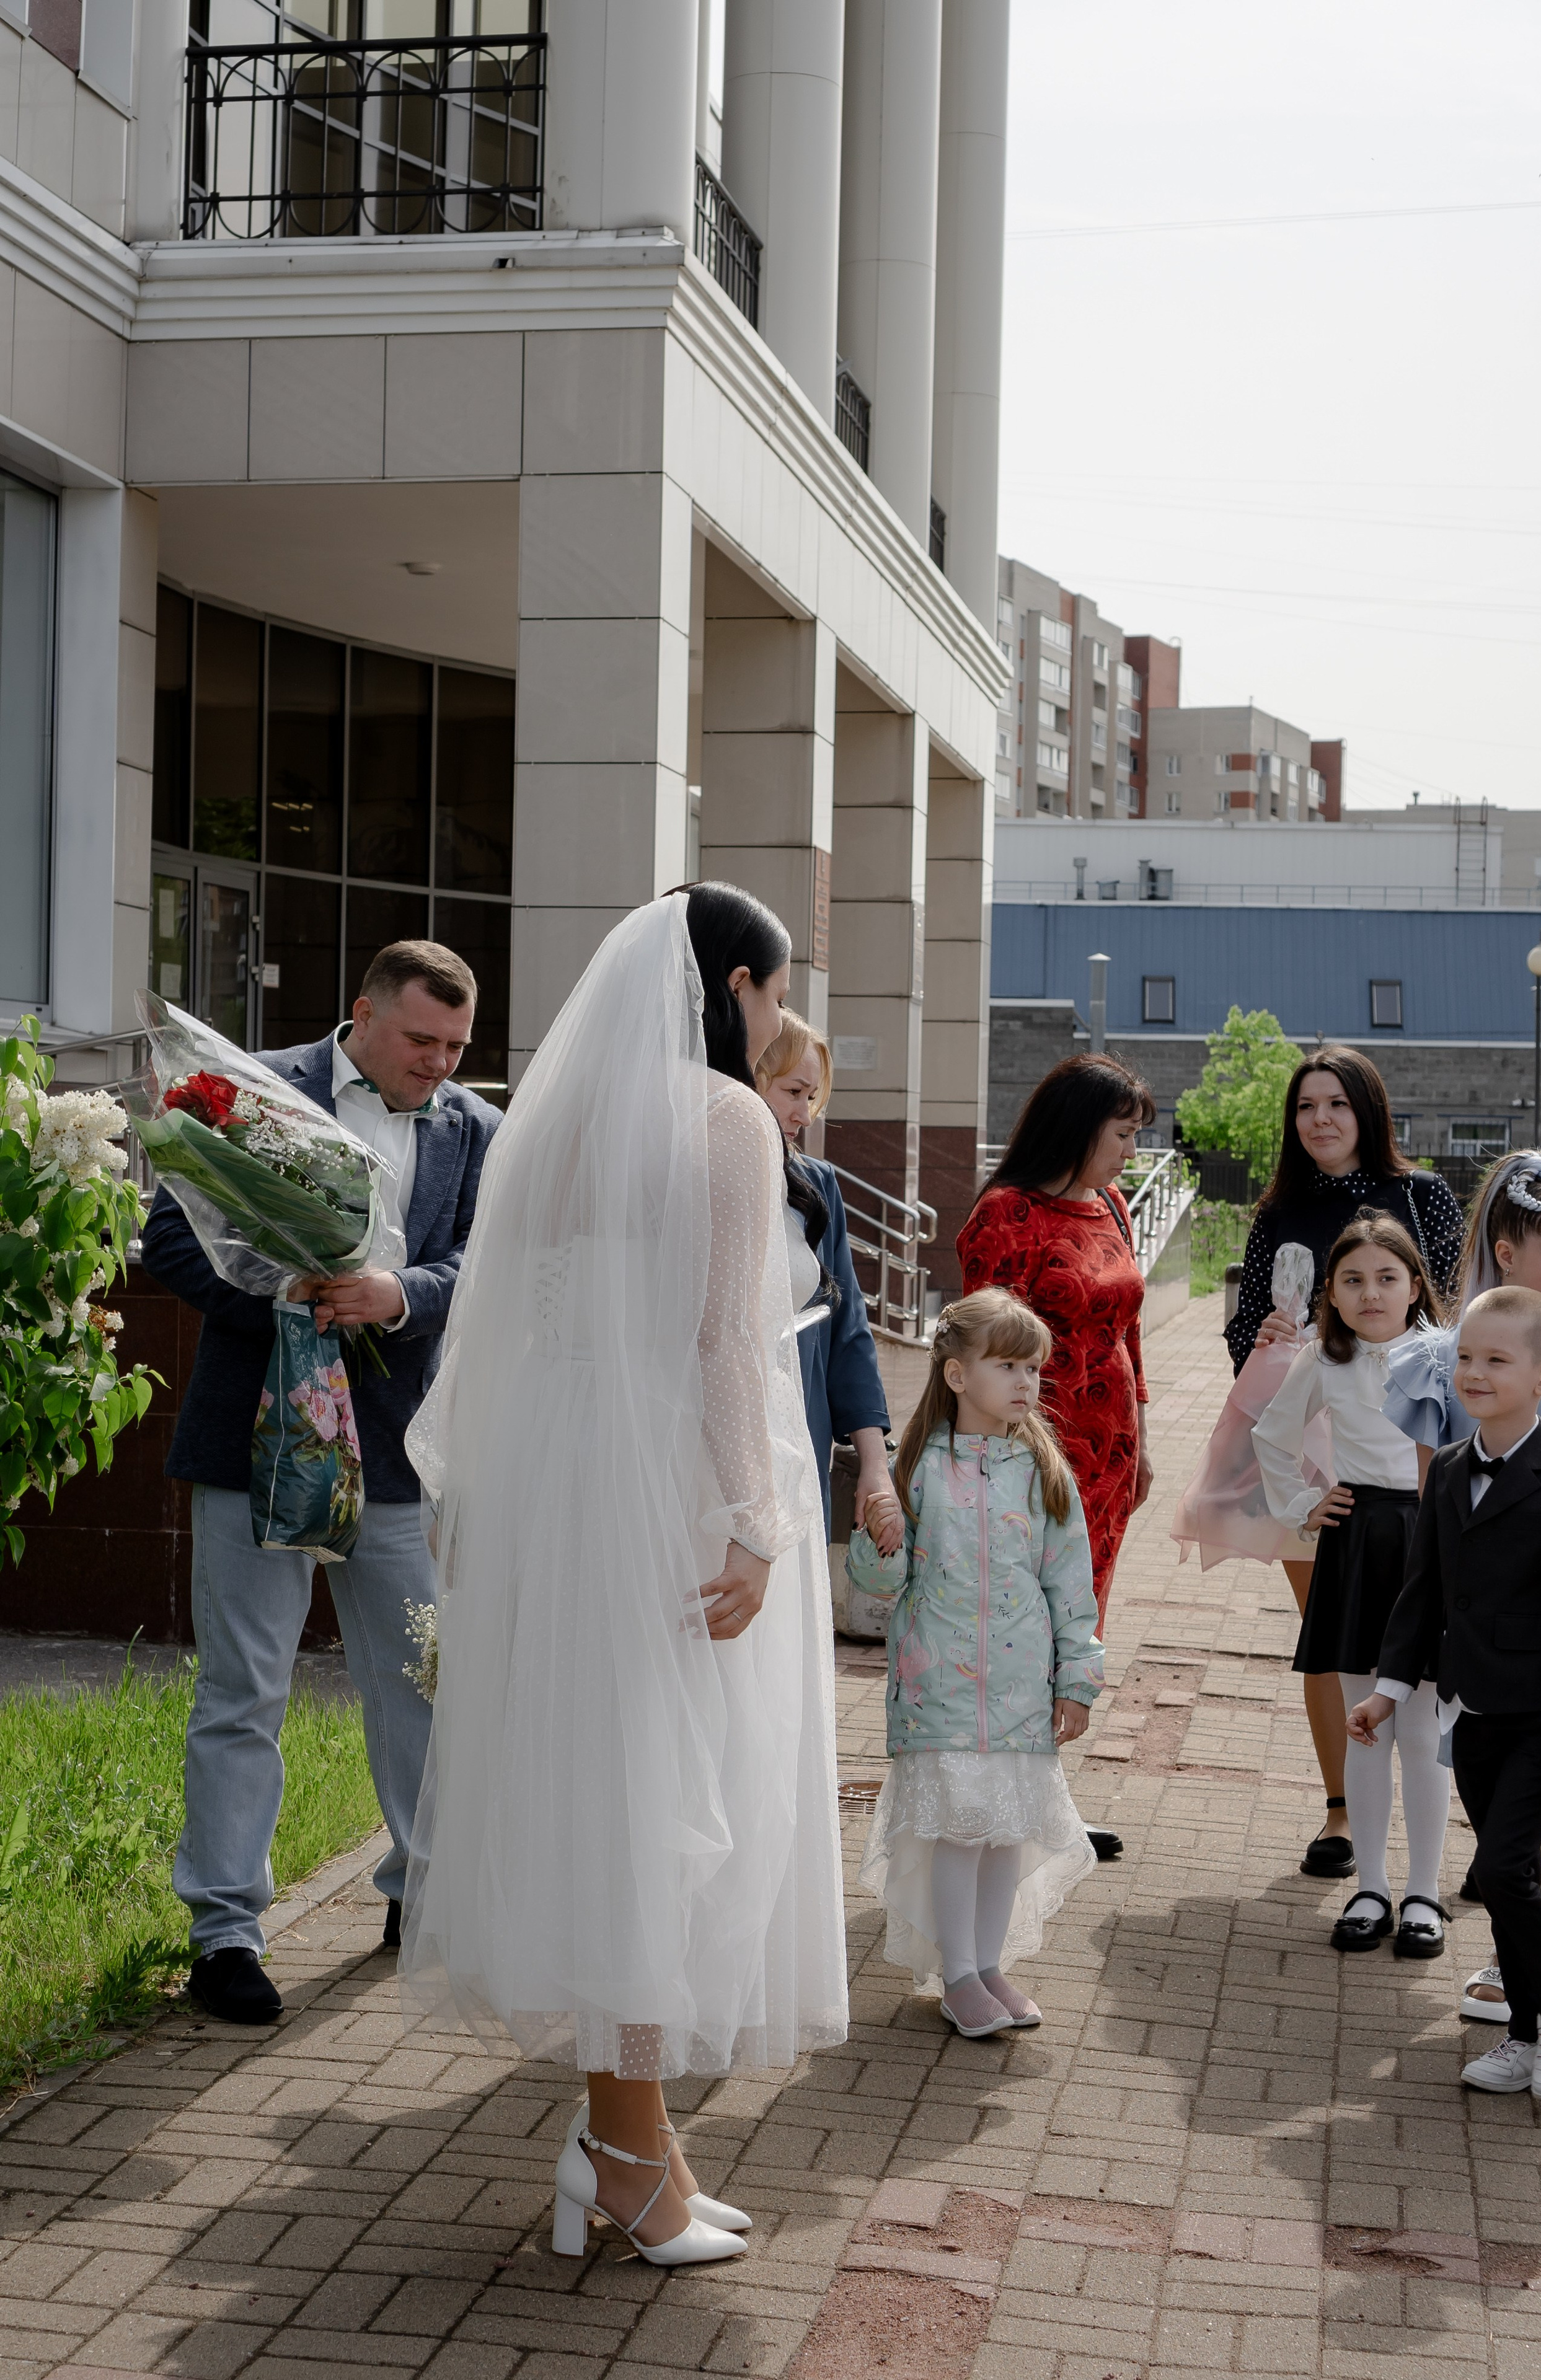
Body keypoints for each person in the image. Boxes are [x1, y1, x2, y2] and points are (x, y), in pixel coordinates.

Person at [399, 885, 847, 2270]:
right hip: (665, 1483)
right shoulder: (715, 1118)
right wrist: (755, 1521)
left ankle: (631, 2143)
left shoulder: (558, 1119)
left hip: (558, 1482)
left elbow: (503, 1333)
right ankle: (627, 2157)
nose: (775, 1022)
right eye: (771, 994)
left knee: (606, 1804)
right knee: (661, 1810)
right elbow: (721, 1342)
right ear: (730, 985)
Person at [139, 941, 500, 2024]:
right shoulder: (251, 1092)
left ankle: (421, 1891)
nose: (438, 1064)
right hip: (251, 1442)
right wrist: (292, 1293)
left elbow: (487, 1265)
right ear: (362, 1013)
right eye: (420, 1040)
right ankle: (226, 1934)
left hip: (395, 1453)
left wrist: (397, 1295)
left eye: (455, 1047)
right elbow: (172, 1240)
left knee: (420, 1686)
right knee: (244, 1686)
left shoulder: (479, 1129)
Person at [1225, 1047, 1463, 1882]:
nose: (1319, 1119)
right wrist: (1260, 1340)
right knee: (1334, 1637)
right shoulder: (1278, 1210)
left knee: (1434, 1647)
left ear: (1367, 1110)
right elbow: (1245, 1322)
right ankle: (1342, 1812)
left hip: (1410, 1437)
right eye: (1304, 1107)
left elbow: (1451, 1311)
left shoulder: (1422, 1195)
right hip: (1319, 1427)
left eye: (1336, 1103)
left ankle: (1438, 1840)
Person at [1353, 1285, 1541, 2101]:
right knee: (1500, 1878)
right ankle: (1524, 2035)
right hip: (1474, 1714)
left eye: (1497, 1360)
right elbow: (1425, 1593)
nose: (1474, 1373)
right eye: (1465, 1358)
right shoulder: (1450, 1469)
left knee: (1502, 1870)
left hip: (1539, 1720)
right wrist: (1387, 1691)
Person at [847, 1289, 1102, 2037]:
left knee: (1004, 1833)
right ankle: (956, 1974)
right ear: (957, 1376)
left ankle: (990, 1966)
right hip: (939, 1693)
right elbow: (877, 1585)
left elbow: (1069, 1583)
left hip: (1020, 1693)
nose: (1026, 1382)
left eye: (1033, 1368)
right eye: (1008, 1365)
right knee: (960, 1831)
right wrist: (879, 1533)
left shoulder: (1043, 1470)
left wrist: (1077, 1679)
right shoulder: (917, 1465)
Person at [1383, 1149, 1541, 2024]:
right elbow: (1441, 1504)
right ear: (1508, 1253)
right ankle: (1533, 1960)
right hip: (1494, 1627)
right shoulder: (1450, 1358)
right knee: (1507, 1805)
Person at [957, 1055, 1152, 1861]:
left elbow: (1130, 1327)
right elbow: (976, 1348)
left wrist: (1144, 1430)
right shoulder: (1006, 1213)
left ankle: (1043, 1799)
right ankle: (1000, 1802)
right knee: (1016, 1628)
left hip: (1110, 1457)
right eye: (1122, 1133)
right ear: (1078, 1128)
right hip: (1033, 1454)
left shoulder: (1110, 1203)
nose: (1131, 1153)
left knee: (1078, 1624)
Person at [1253, 1214, 1449, 1957]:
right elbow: (1271, 1435)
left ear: (1413, 1286)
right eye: (1353, 1280)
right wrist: (1306, 1503)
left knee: (1425, 1728)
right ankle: (1370, 1887)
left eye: (1387, 1278)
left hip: (1428, 1543)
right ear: (1329, 1293)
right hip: (1359, 1541)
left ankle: (1423, 1894)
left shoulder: (1440, 1354)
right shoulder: (1321, 1360)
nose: (1371, 1293)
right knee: (1364, 1724)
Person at [754, 1012, 895, 1542]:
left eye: (811, 1097)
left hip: (802, 1429)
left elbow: (849, 1330)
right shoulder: (697, 1173)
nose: (805, 1115)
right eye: (794, 1092)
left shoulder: (818, 1184)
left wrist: (875, 1466)